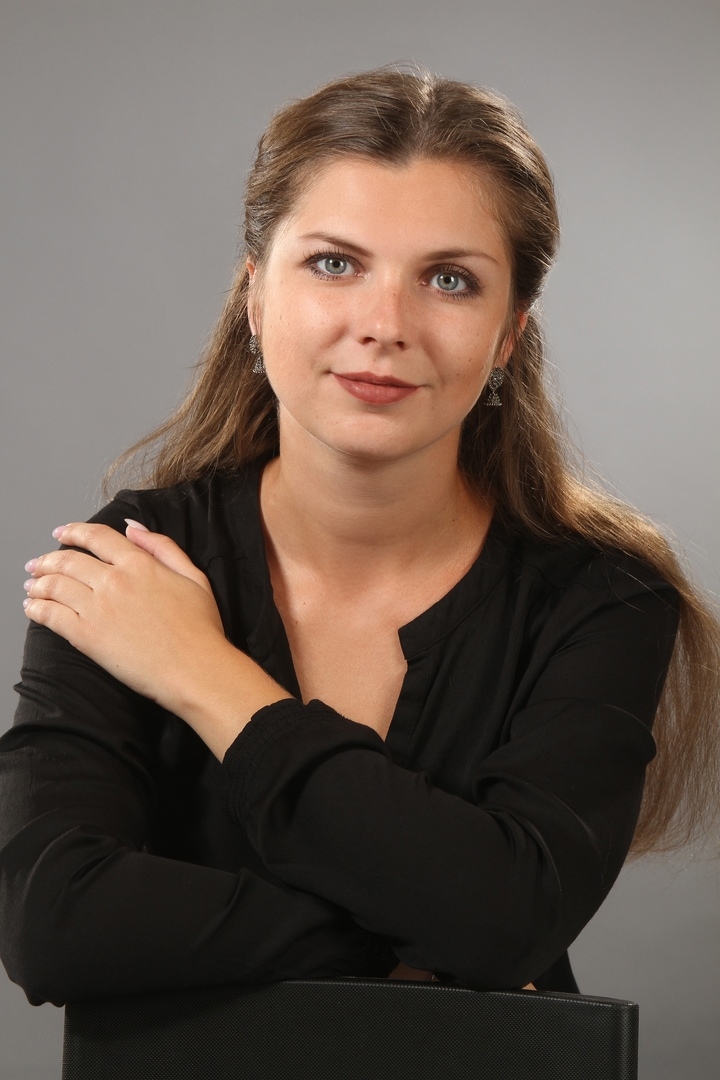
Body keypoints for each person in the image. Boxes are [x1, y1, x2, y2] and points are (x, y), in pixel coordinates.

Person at [1, 67, 718, 1007]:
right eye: (335, 263)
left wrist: (199, 672)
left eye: (450, 280)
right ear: (256, 298)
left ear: (509, 334)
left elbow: (509, 918)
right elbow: (51, 922)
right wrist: (428, 940)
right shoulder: (129, 561)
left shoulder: (604, 597)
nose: (385, 326)